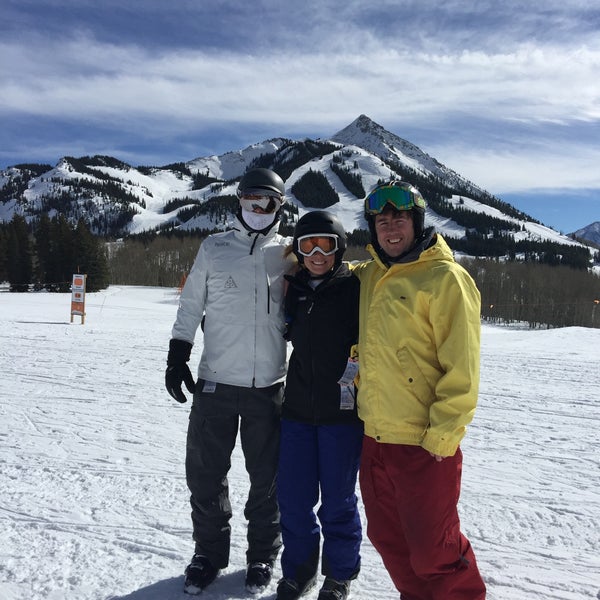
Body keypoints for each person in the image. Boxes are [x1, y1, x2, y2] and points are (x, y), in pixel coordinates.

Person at [352, 180, 487, 599]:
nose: (391, 227)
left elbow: (462, 369)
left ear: (417, 222)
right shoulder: (373, 273)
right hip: (374, 437)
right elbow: (333, 267)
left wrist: (442, 438)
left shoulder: (445, 278)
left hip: (424, 444)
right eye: (382, 220)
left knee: (435, 551)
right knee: (390, 541)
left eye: (400, 218)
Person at [165, 167, 296, 595]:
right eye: (250, 201)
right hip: (216, 383)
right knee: (204, 476)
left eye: (268, 203)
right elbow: (190, 304)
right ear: (238, 201)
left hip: (268, 389)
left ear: (280, 207)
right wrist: (178, 354)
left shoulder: (290, 254)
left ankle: (261, 556)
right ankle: (208, 554)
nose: (258, 210)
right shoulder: (214, 247)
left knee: (268, 481)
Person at [276, 211, 363, 600]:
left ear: (339, 248)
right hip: (295, 412)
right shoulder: (293, 287)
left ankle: (339, 575)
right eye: (306, 244)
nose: (315, 253)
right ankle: (298, 570)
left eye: (325, 244)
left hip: (341, 417)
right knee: (293, 499)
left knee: (338, 502)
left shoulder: (355, 288)